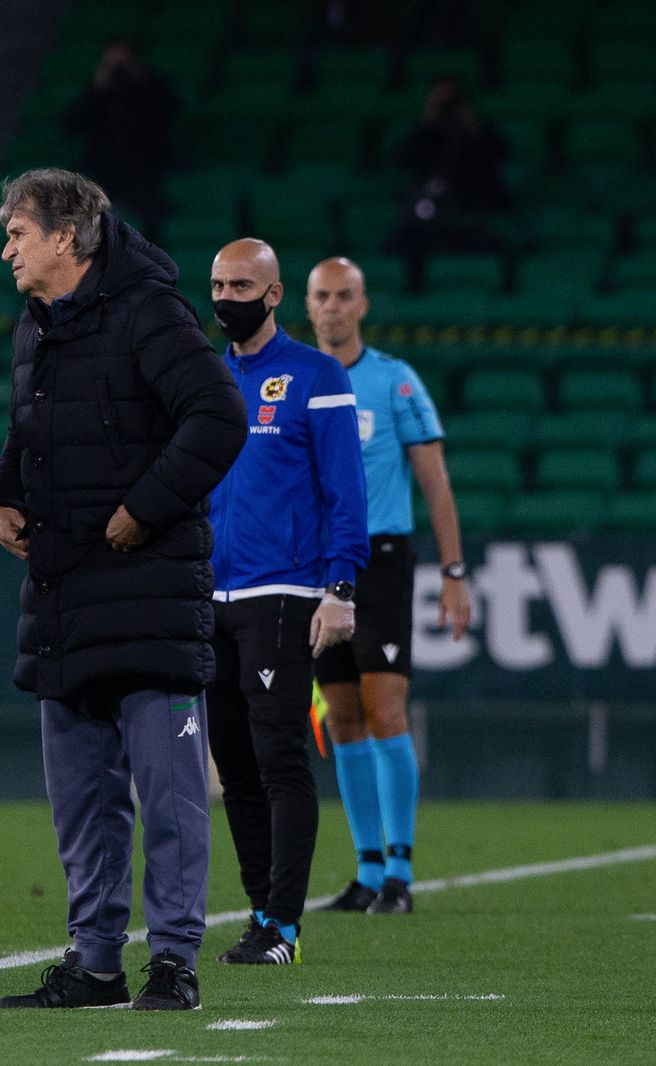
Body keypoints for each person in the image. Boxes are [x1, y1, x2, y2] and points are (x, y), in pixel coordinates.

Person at [0, 169, 246, 1012]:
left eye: (17, 233)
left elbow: (219, 416)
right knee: (84, 807)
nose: (6, 249)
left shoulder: (148, 312)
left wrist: (143, 507)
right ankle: (96, 963)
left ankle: (173, 963)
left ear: (67, 237)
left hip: (148, 593)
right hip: (63, 598)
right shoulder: (37, 328)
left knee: (168, 801)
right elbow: (30, 433)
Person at [204, 239, 369, 965]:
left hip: (284, 591)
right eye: (215, 284)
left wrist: (339, 590)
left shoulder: (316, 375)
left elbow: (345, 492)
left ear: (273, 296)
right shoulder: (206, 379)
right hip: (210, 594)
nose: (225, 297)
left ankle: (284, 924)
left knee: (279, 758)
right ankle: (260, 912)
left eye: (240, 284)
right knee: (233, 763)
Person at [305, 256, 472, 915]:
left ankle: (400, 873)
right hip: (319, 565)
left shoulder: (394, 382)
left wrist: (454, 572)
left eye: (345, 296)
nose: (334, 308)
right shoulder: (297, 383)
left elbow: (434, 480)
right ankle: (368, 870)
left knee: (385, 709)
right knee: (341, 716)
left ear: (363, 305)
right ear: (307, 304)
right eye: (323, 297)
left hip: (381, 559)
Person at [391, 78, 512, 285]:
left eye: (452, 103)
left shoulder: (482, 133)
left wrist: (471, 124)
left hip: (475, 210)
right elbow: (403, 160)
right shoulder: (424, 134)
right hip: (430, 215)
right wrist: (428, 120)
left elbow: (501, 157)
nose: (448, 110)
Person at [63, 40, 179, 234]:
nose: (118, 70)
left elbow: (169, 111)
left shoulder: (152, 86)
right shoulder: (97, 91)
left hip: (147, 166)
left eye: (124, 63)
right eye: (112, 64)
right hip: (105, 168)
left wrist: (141, 80)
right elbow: (72, 125)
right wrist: (97, 88)